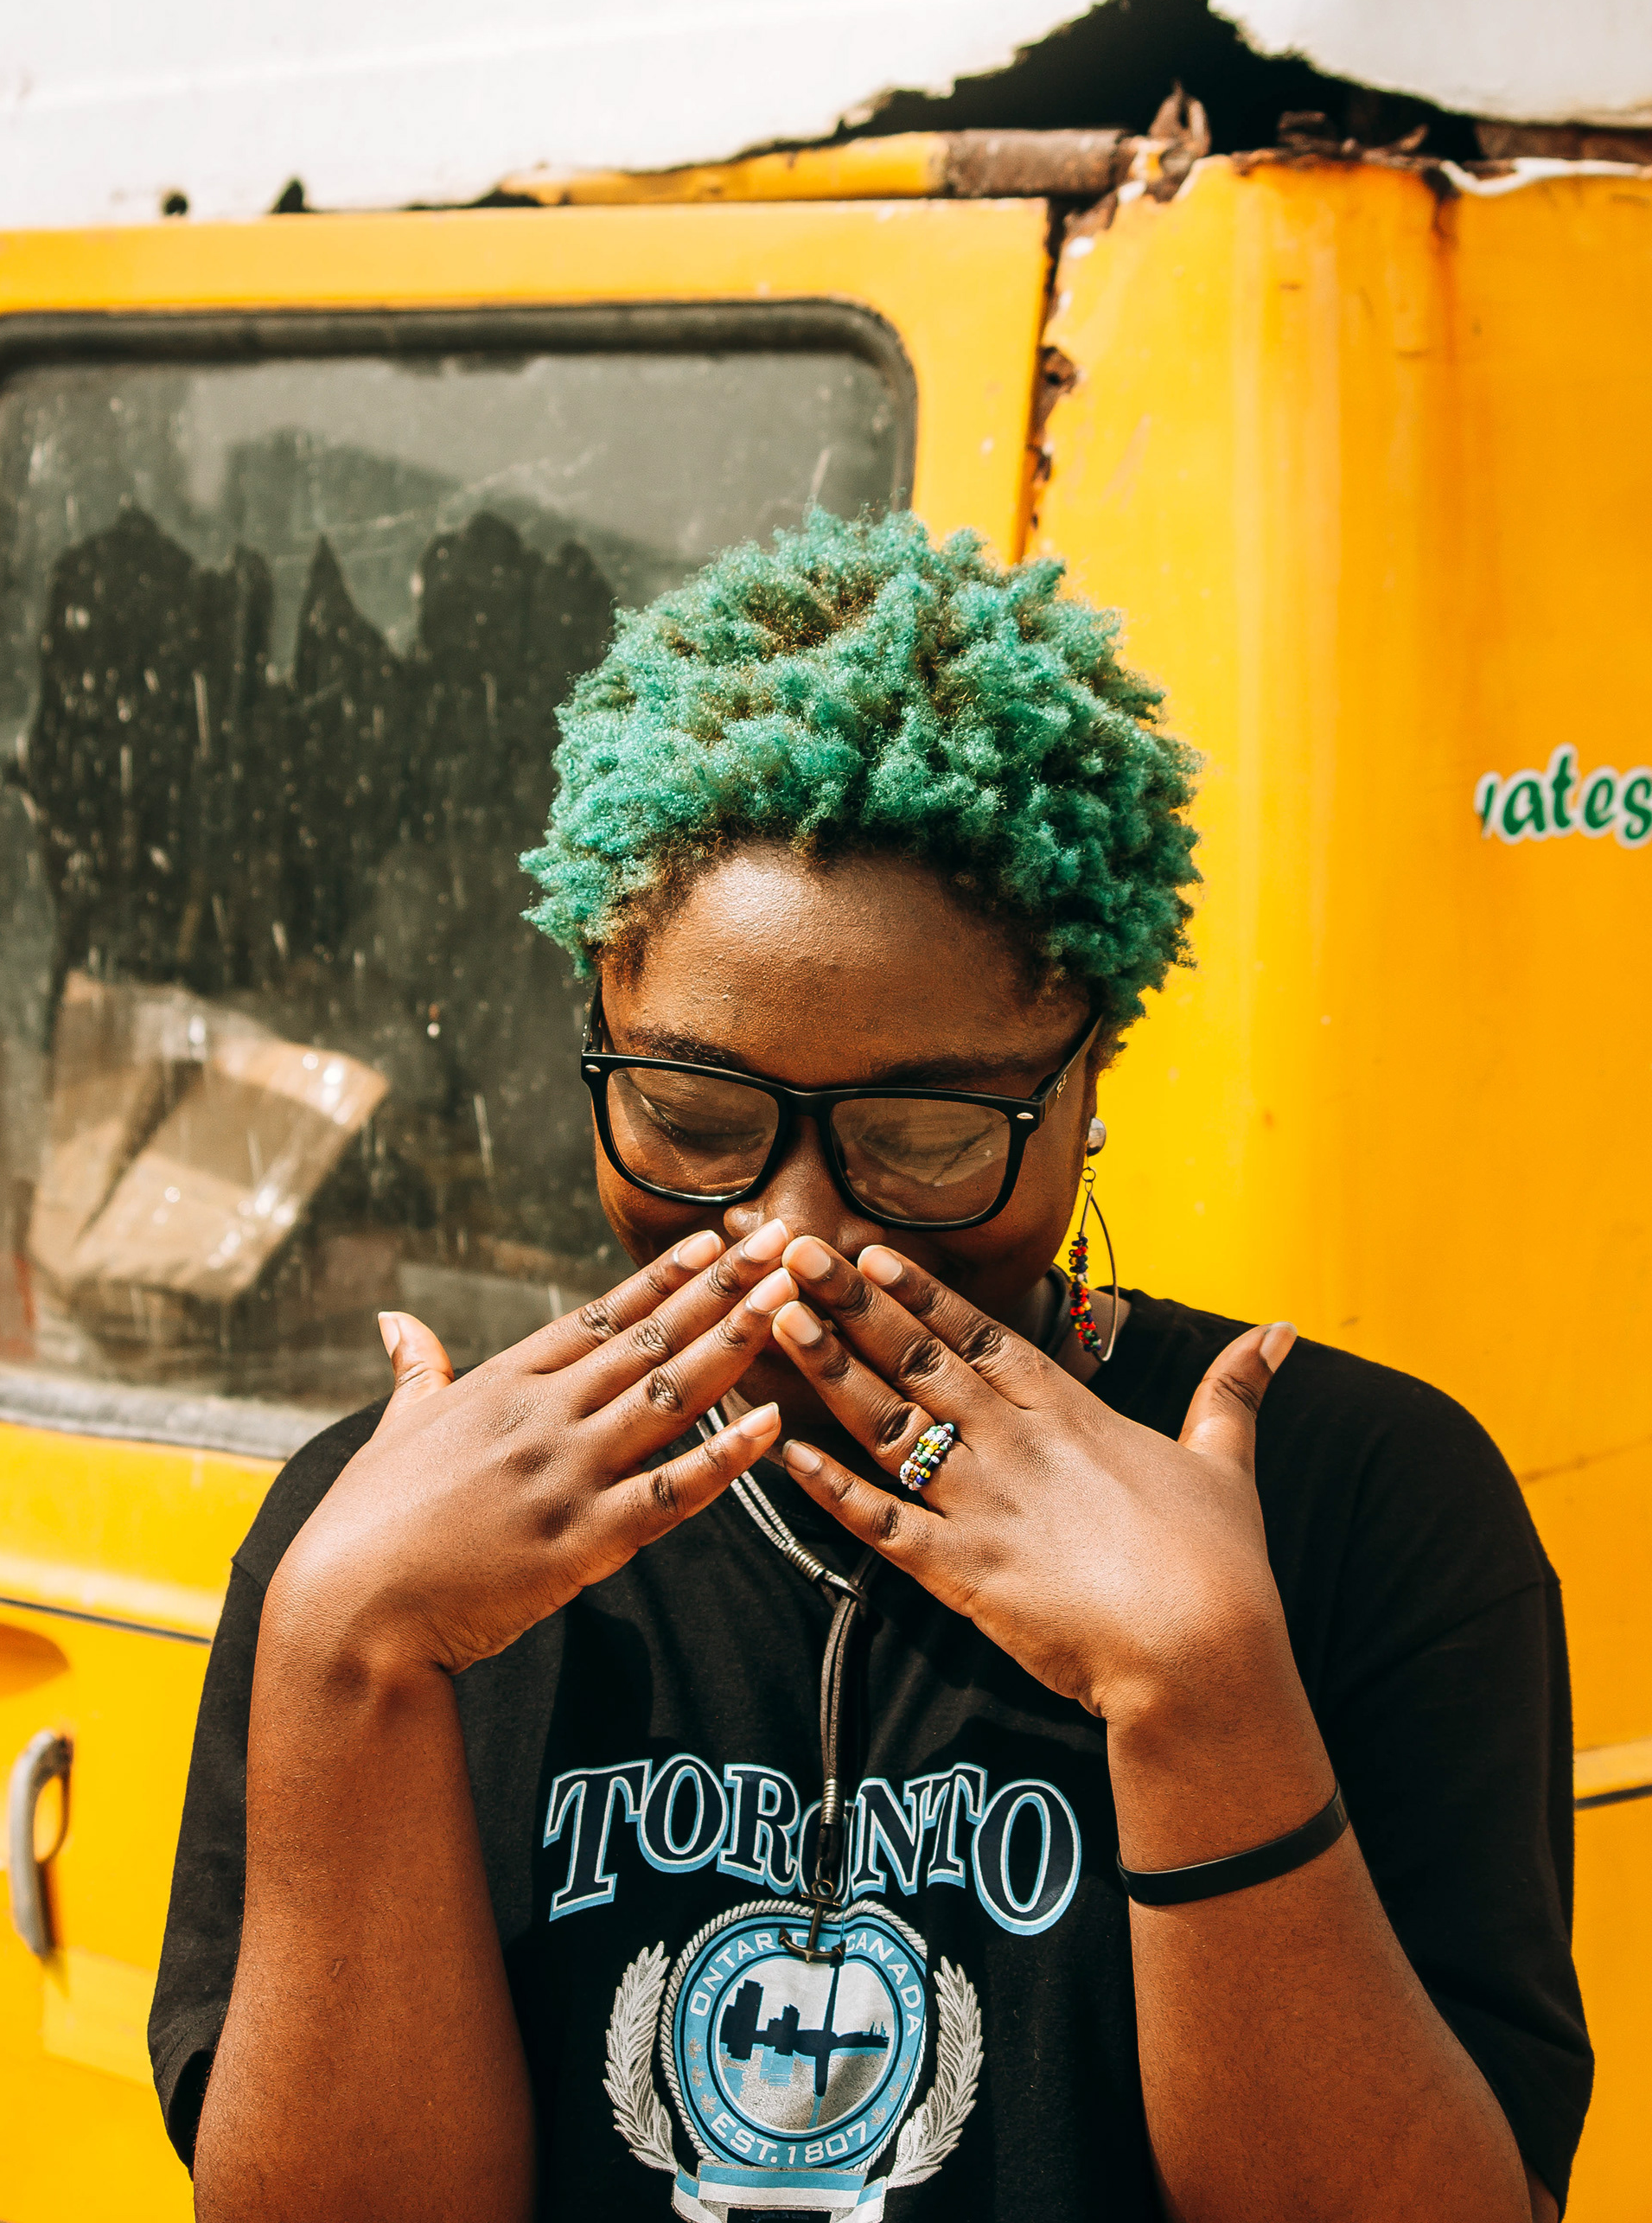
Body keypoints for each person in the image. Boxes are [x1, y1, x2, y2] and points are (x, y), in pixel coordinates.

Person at [150, 512, 1590, 2222]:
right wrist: (350, 1650)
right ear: (596, 1031)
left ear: (1086, 1078)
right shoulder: (378, 1532)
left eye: (922, 1137)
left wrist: (1201, 1690)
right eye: (693, 1118)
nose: (796, 1234)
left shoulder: (1363, 1508)